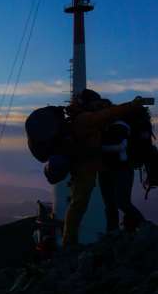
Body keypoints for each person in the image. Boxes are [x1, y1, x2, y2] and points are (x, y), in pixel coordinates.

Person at [62, 90, 149, 247]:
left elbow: (118, 143)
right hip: (96, 169)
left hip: (104, 168)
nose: (99, 108)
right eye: (96, 104)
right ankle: (128, 231)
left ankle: (128, 231)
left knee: (113, 203)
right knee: (89, 204)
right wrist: (132, 105)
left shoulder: (90, 119)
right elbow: (107, 117)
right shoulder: (88, 118)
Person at [98, 108, 147, 234]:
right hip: (112, 170)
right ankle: (113, 231)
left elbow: (121, 146)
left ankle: (145, 227)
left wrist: (99, 148)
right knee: (112, 204)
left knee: (121, 202)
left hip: (119, 170)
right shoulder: (109, 127)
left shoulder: (120, 127)